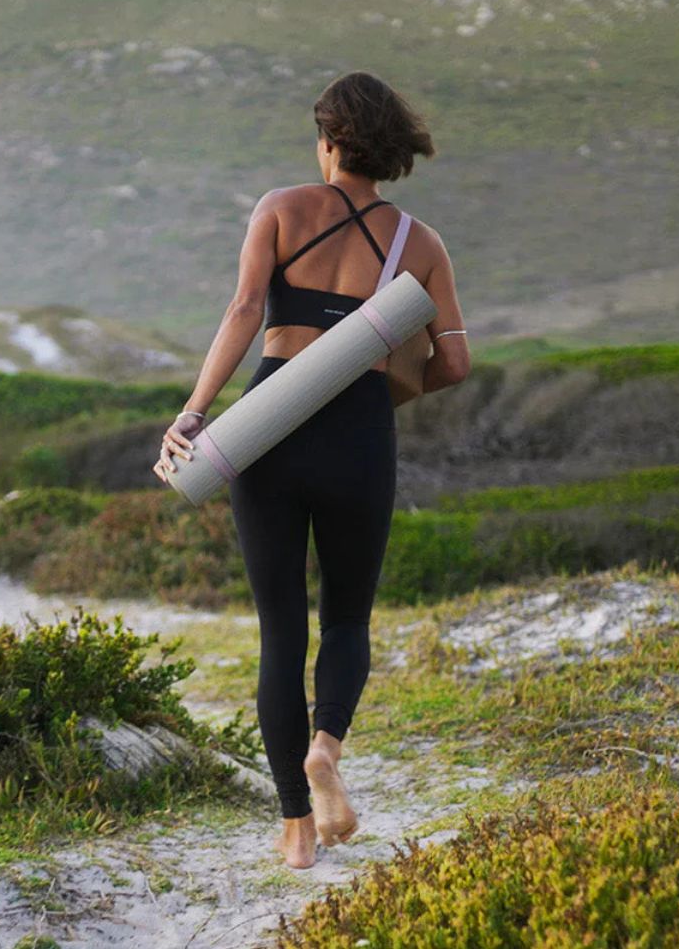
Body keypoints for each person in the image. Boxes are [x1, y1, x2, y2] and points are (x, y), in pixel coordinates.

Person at [150, 71, 471, 869]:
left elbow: (243, 312)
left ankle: (296, 830)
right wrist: (382, 389)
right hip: (358, 434)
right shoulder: (422, 243)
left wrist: (194, 411)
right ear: (390, 149)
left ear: (329, 141)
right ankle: (326, 746)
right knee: (348, 618)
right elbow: (456, 363)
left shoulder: (281, 208)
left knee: (281, 629)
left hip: (268, 428)